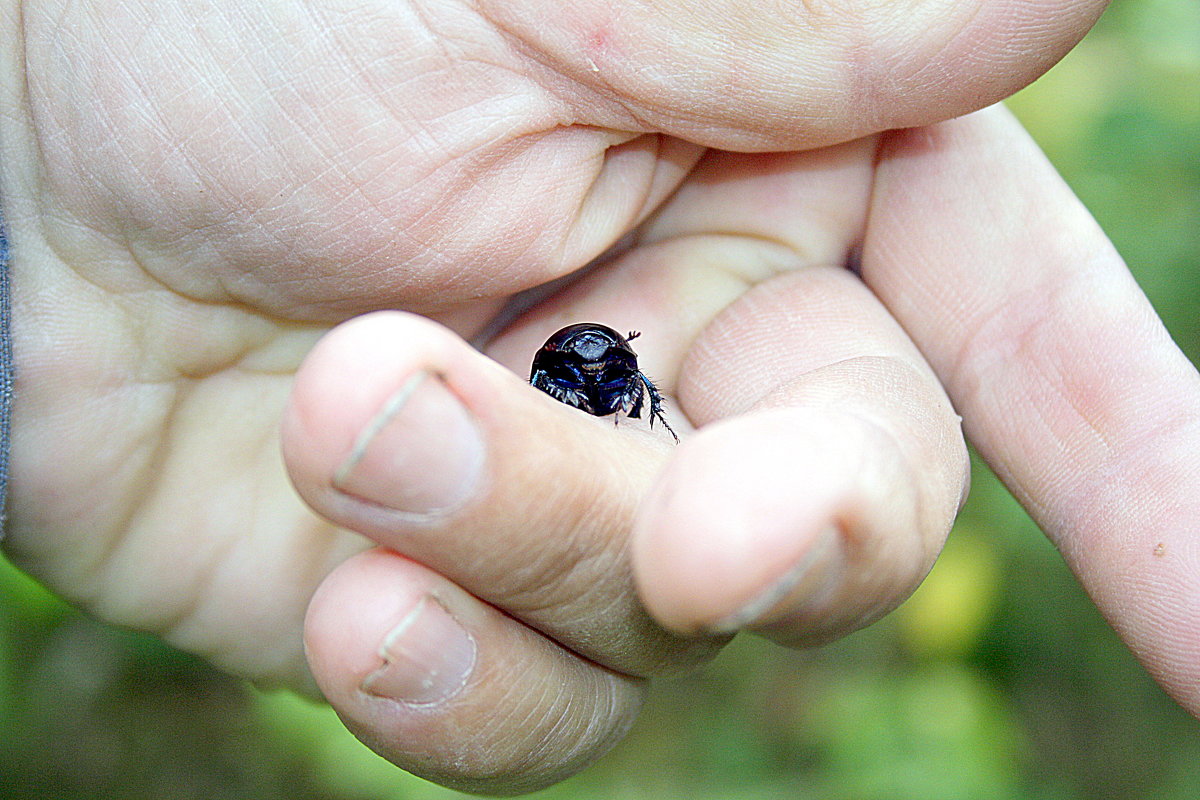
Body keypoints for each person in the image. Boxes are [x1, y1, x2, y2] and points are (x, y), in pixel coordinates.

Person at [2, 0, 1196, 793]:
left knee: (655, 497)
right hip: (564, 356)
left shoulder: (610, 373)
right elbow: (585, 377)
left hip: (571, 359)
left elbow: (600, 380)